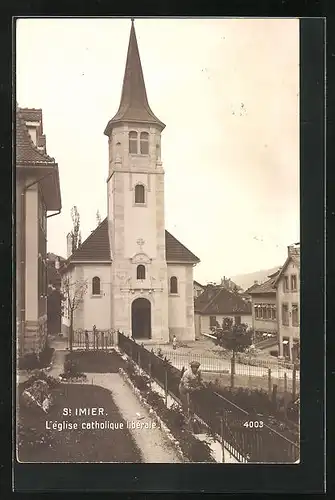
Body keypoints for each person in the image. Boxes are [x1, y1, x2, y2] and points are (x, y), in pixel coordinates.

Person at [179, 361, 205, 428]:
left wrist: (203, 384)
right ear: (191, 367)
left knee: (192, 404)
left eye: (197, 367)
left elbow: (200, 379)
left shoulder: (198, 372)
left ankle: (191, 417)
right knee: (185, 404)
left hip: (192, 390)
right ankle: (185, 420)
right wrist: (195, 388)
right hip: (184, 390)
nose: (195, 369)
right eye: (194, 367)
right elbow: (185, 386)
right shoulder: (187, 374)